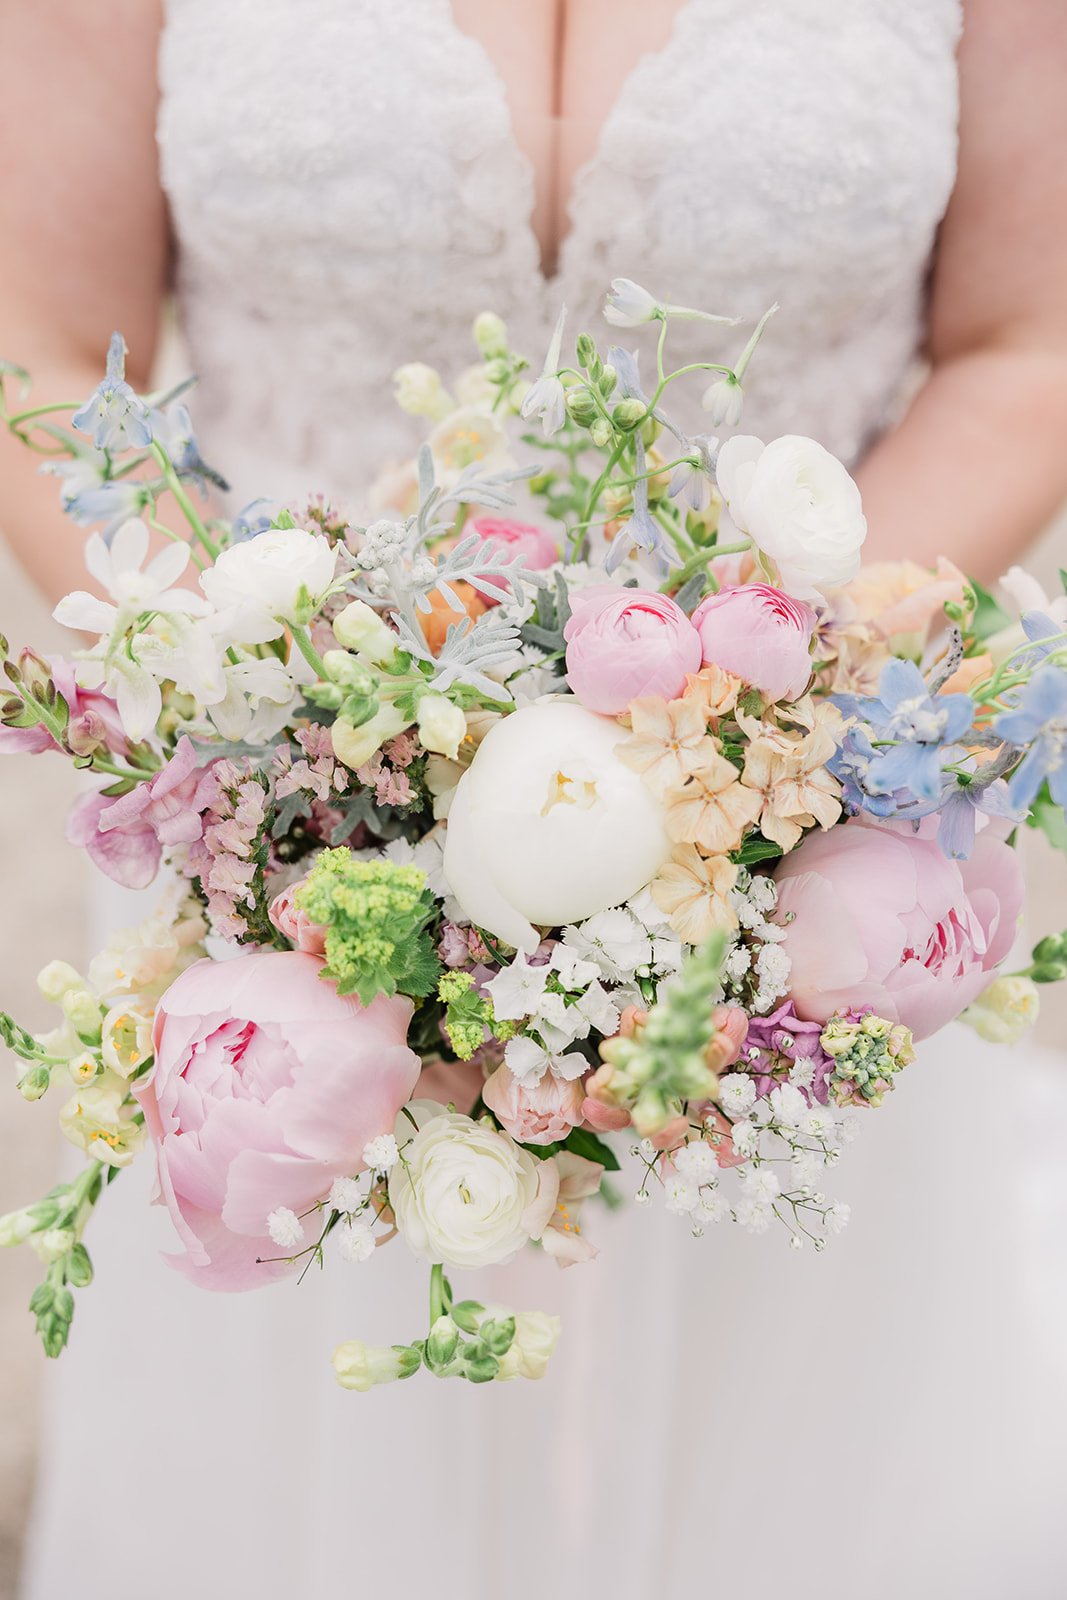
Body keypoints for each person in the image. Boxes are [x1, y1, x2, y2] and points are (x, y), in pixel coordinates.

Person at [1, 3, 1066, 1596]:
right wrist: (279, 730)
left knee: (803, 1415)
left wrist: (748, 733)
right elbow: (33, 324)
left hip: (806, 827)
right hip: (290, 845)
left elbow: (1029, 340)